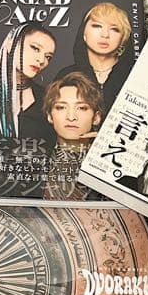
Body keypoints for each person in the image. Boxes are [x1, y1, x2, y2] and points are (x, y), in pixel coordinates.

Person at [0, 22, 57, 141]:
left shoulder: (45, 99)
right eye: (35, 48)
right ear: (10, 44)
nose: (41, 60)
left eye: (48, 57)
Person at [54, 1, 135, 113]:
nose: (105, 34)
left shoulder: (135, 75)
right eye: (97, 26)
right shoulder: (66, 76)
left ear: (123, 39)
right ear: (83, 33)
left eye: (114, 29)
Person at [41, 72, 105, 201]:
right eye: (61, 107)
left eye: (82, 108)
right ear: (49, 116)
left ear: (96, 117)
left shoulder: (106, 162)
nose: (71, 117)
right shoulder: (35, 161)